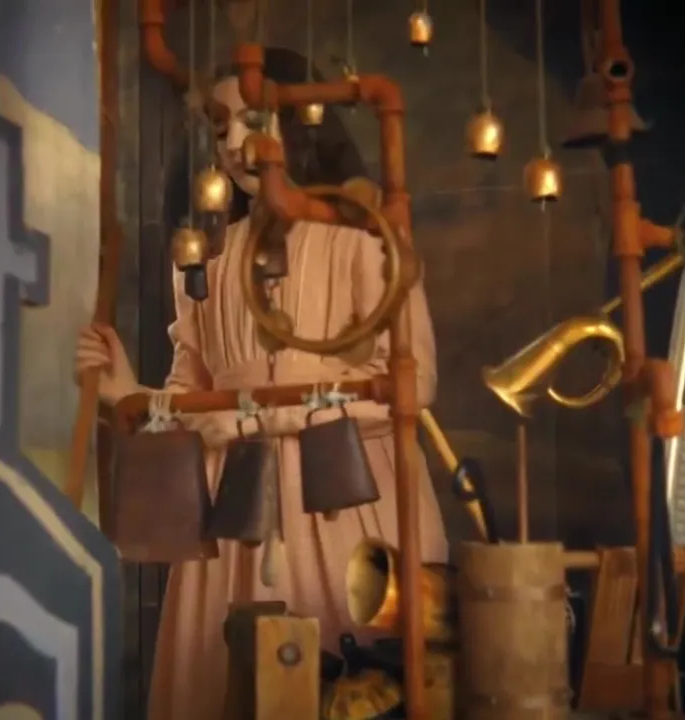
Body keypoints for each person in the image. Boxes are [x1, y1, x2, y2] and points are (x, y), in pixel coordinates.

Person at [75, 49, 447, 719]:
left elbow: (411, 386)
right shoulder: (205, 258)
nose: (234, 144)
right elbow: (192, 395)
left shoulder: (365, 238)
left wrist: (262, 419)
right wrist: (130, 394)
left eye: (253, 121)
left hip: (349, 499)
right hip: (236, 512)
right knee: (229, 681)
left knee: (354, 681)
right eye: (221, 129)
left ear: (302, 120)